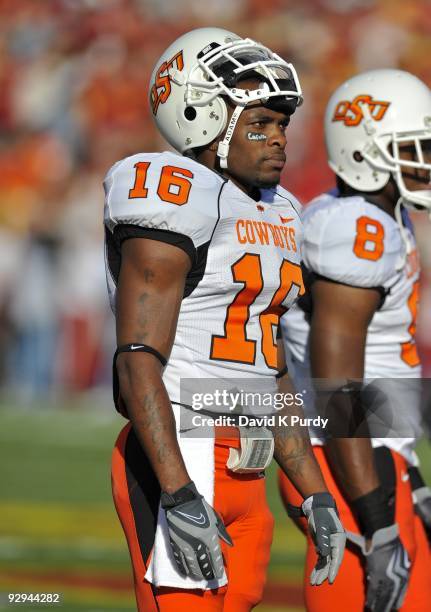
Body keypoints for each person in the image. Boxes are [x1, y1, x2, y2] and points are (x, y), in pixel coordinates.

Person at [103, 27, 346, 612]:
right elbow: (137, 360)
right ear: (201, 118)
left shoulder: (280, 209)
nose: (278, 139)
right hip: (184, 452)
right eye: (259, 123)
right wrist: (179, 491)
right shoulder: (173, 190)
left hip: (249, 468)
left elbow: (271, 370)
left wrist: (315, 492)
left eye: (282, 124)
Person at [278, 68, 431, 611]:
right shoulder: (356, 229)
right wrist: (377, 520)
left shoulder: (382, 220)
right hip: (342, 465)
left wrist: (408, 475)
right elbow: (336, 389)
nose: (424, 162)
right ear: (365, 153)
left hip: (370, 458)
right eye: (412, 149)